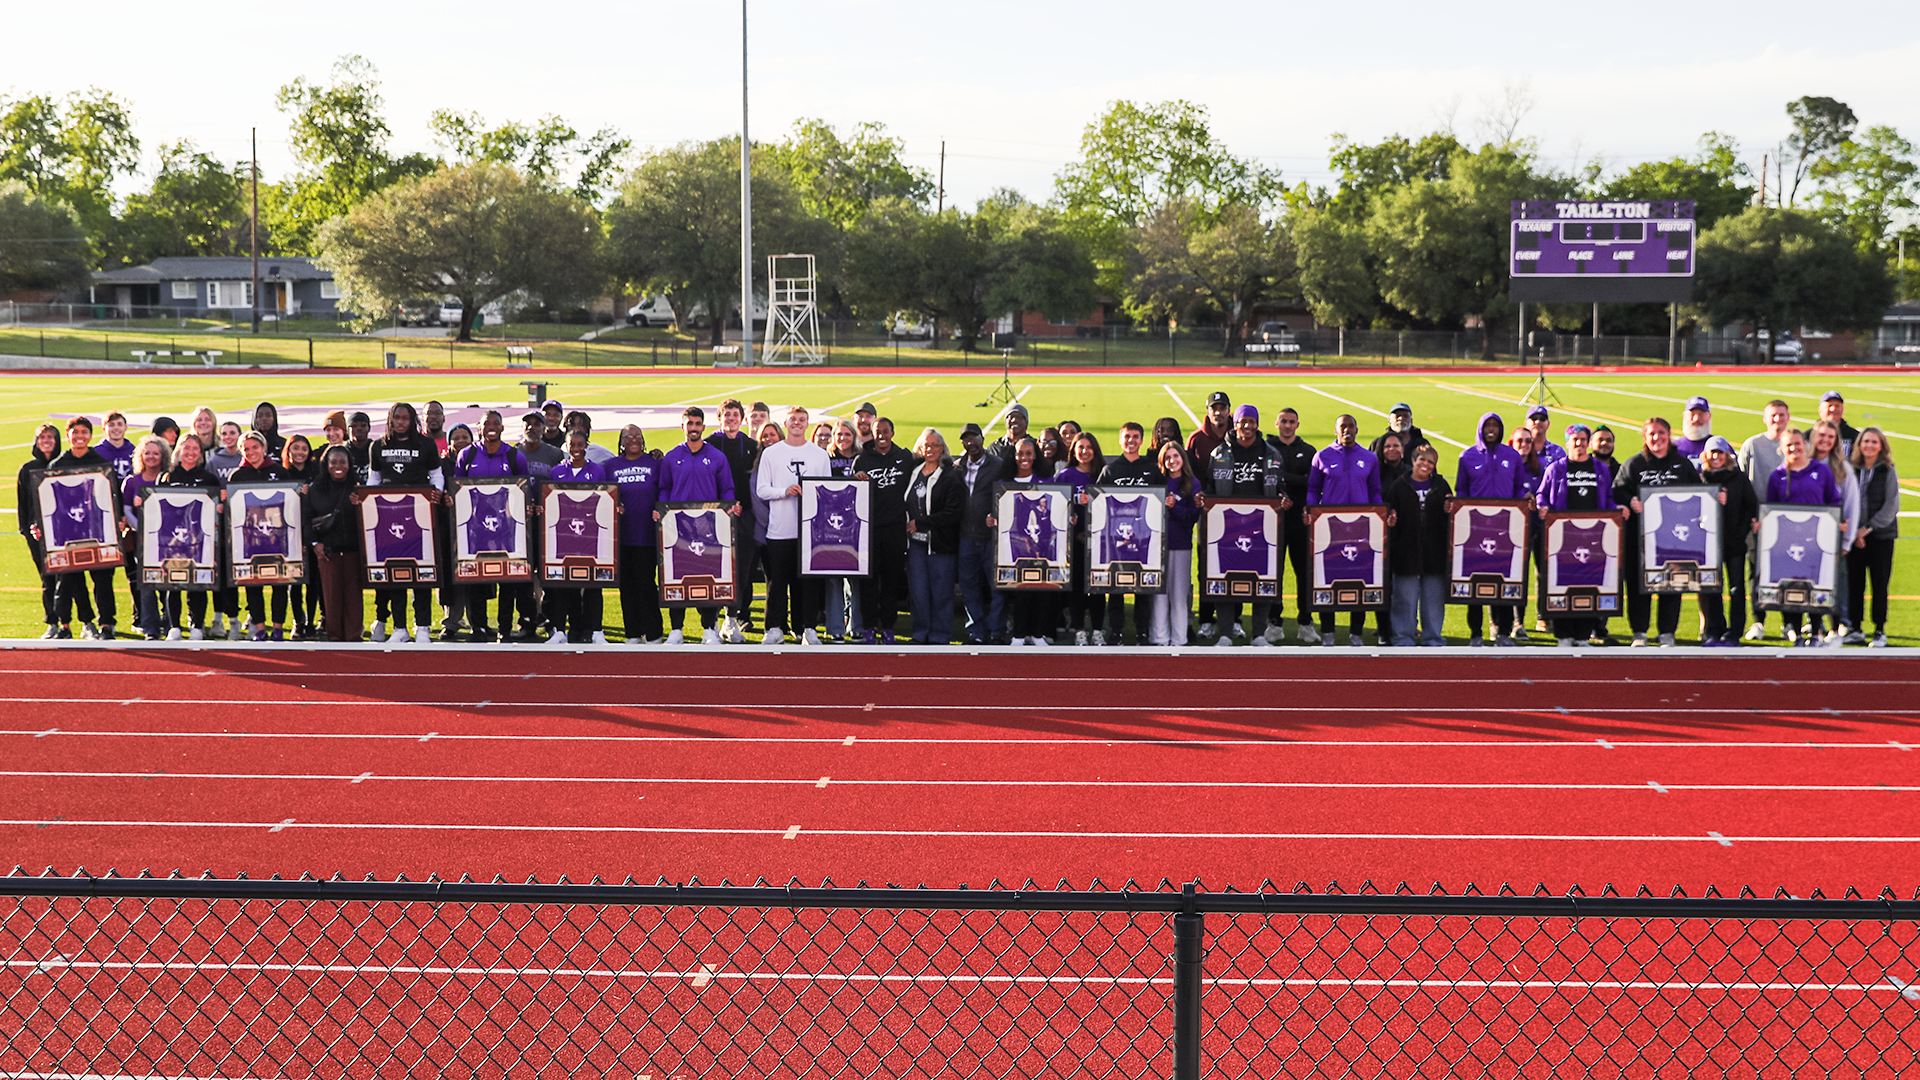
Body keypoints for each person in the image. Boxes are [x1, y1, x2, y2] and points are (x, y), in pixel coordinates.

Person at [1206, 404, 1288, 646]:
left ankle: (1259, 634)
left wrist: (1283, 498)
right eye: (1243, 422)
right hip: (1227, 526)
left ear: (1257, 424)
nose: (1247, 426)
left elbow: (1280, 486)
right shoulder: (1219, 453)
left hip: (1261, 526)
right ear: (1236, 423)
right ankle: (1224, 634)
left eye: (1252, 422)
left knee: (1262, 577)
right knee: (1224, 576)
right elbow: (1210, 486)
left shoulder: (1271, 453)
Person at [1614, 416, 1700, 647]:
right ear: (1645, 437)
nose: (1657, 438)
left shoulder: (1682, 465)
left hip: (1674, 538)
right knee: (1637, 585)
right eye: (1651, 434)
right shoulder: (1633, 465)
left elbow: (1699, 495)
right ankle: (1639, 631)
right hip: (1639, 538)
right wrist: (1630, 500)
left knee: (1671, 582)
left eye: (1661, 433)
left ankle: (1667, 632)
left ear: (1669, 435)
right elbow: (1617, 490)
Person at [657, 406, 738, 645]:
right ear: (683, 427)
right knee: (677, 574)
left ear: (703, 427)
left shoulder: (716, 457)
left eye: (697, 424)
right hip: (679, 527)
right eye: (689, 424)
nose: (693, 428)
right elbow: (664, 488)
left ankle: (708, 628)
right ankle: (676, 629)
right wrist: (663, 514)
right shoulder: (672, 457)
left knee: (707, 573)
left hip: (708, 527)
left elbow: (727, 489)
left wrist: (728, 509)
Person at [453, 410, 533, 643]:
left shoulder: (514, 456)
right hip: (475, 529)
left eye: (495, 423)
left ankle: (504, 629)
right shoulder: (466, 456)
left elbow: (523, 492)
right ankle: (478, 627)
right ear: (479, 427)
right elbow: (458, 489)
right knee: (476, 580)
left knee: (507, 581)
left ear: (502, 428)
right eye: (486, 423)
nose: (491, 427)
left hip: (506, 529)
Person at [1305, 414, 1385, 646]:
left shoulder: (1369, 458)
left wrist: (1377, 517)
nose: (1347, 430)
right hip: (1331, 530)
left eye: (1350, 426)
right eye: (1343, 426)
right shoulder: (1322, 457)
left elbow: (1375, 491)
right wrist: (1311, 511)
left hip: (1361, 530)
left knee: (1358, 577)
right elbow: (1313, 489)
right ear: (1335, 430)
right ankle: (1328, 631)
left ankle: (1356, 633)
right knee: (1329, 578)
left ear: (1357, 429)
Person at [367, 402, 442, 644]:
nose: (401, 422)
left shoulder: (426, 444)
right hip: (389, 517)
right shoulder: (378, 446)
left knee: (422, 572)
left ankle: (422, 627)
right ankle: (400, 627)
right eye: (397, 418)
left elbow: (437, 475)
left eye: (405, 418)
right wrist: (369, 503)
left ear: (412, 420)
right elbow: (374, 479)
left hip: (420, 516)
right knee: (394, 572)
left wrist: (435, 495)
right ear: (390, 420)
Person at [1535, 424, 1616, 647]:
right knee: (1563, 584)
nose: (1579, 443)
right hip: (1563, 538)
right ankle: (1563, 634)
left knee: (1588, 584)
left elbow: (1608, 497)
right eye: (1574, 440)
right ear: (1567, 443)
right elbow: (1541, 494)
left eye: (1583, 439)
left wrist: (1617, 509)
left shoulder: (1600, 468)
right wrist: (1542, 507)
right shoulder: (1556, 469)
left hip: (1593, 538)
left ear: (1588, 442)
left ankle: (1582, 634)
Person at [755, 406, 831, 645]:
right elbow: (762, 490)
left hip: (809, 530)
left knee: (808, 583)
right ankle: (775, 628)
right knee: (777, 582)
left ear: (807, 424)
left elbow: (826, 491)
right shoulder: (772, 453)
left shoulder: (819, 455)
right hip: (780, 529)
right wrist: (784, 492)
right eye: (793, 420)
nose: (797, 423)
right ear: (785, 424)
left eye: (802, 420)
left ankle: (807, 628)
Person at [1452, 411, 1526, 646]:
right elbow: (1461, 491)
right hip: (1476, 530)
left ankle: (1503, 632)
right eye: (1487, 425)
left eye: (1495, 425)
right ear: (1481, 428)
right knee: (1475, 582)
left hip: (1504, 529)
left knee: (1502, 580)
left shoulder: (1512, 456)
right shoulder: (1467, 457)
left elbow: (1518, 489)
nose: (1491, 429)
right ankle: (1476, 633)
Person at [44, 416, 120, 639]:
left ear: (90, 435)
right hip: (68, 533)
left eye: (84, 432)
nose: (79, 436)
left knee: (103, 580)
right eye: (75, 432)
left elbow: (112, 496)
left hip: (97, 532)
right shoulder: (57, 465)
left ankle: (106, 623)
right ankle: (65, 625)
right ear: (68, 435)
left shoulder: (100, 462)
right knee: (67, 580)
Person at [1765, 428, 1842, 646]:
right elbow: (1770, 508)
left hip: (1815, 540)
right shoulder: (1777, 476)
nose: (1794, 449)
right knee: (1791, 586)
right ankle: (1795, 630)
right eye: (1789, 445)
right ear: (1782, 448)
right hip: (1788, 541)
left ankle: (1816, 631)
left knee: (1814, 584)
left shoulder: (1822, 471)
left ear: (1806, 445)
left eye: (1798, 444)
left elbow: (1833, 500)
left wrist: (1835, 524)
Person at [1096, 422, 1162, 644]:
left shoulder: (1152, 469)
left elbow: (1161, 502)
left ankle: (1142, 632)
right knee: (1115, 586)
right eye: (1127, 436)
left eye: (1135, 436)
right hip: (1116, 541)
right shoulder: (1110, 470)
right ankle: (1117, 631)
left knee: (1143, 586)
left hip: (1143, 538)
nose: (1131, 440)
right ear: (1120, 439)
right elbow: (1099, 505)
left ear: (1142, 440)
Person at [153, 435, 223, 639]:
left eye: (195, 448)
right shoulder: (167, 476)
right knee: (172, 583)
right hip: (172, 540)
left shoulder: (209, 478)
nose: (191, 452)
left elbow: (215, 510)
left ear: (200, 453)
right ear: (179, 451)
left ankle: (197, 626)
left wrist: (219, 507)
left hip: (199, 540)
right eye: (187, 448)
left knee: (197, 583)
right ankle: (174, 626)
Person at [548, 428, 612, 645]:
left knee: (593, 583)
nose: (576, 449)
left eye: (580, 444)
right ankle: (568, 630)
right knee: (567, 584)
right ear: (566, 446)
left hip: (590, 535)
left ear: (586, 446)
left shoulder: (597, 471)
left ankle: (595, 629)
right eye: (571, 445)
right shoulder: (556, 472)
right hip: (565, 535)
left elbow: (604, 501)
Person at [1384, 444, 1451, 646]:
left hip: (1434, 551)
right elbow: (1388, 515)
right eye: (1422, 459)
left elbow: (1451, 516)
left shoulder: (1441, 486)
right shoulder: (1399, 485)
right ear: (1413, 461)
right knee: (1404, 599)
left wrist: (1450, 508)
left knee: (1433, 601)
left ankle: (1433, 638)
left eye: (1430, 461)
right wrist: (1391, 518)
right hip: (1405, 551)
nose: (1425, 465)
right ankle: (1403, 638)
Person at [990, 436, 1055, 645]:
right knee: (1021, 591)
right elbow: (998, 514)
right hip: (1016, 544)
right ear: (1013, 455)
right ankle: (1018, 635)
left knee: (1041, 590)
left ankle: (1037, 634)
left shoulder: (1047, 481)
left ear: (1035, 455)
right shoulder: (1003, 483)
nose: (1024, 457)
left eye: (1028, 453)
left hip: (1041, 545)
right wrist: (991, 519)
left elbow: (1057, 510)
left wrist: (1068, 516)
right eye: (1020, 453)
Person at [1738, 399, 1794, 642]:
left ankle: (1789, 623)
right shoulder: (1752, 444)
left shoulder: (1796, 444)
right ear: (1764, 418)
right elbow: (1741, 483)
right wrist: (1750, 515)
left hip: (1790, 523)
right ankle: (1758, 621)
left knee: (1789, 572)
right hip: (1757, 522)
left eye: (1781, 415)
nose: (1777, 420)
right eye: (1773, 416)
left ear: (1788, 417)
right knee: (1758, 573)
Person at [855, 417, 915, 643]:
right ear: (872, 433)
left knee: (891, 582)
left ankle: (888, 626)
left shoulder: (904, 458)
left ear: (893, 432)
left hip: (895, 530)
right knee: (868, 582)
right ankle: (869, 626)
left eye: (885, 431)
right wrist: (856, 479)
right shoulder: (862, 460)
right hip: (869, 531)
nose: (881, 435)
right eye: (877, 431)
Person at [228, 431, 292, 641]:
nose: (251, 452)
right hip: (249, 539)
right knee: (253, 584)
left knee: (279, 583)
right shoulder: (237, 476)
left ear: (263, 448)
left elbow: (290, 505)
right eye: (246, 449)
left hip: (276, 538)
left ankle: (278, 628)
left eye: (255, 447)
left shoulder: (279, 472)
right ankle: (260, 628)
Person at [904, 428, 964, 644]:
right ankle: (920, 634)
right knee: (919, 592)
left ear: (942, 449)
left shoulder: (950, 476)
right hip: (916, 546)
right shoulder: (914, 472)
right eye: (926, 445)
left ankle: (940, 636)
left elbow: (953, 513)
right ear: (920, 447)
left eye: (935, 445)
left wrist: (920, 523)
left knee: (941, 593)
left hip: (940, 545)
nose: (930, 449)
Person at [1697, 436, 1757, 647]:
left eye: (1720, 453)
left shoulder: (1738, 478)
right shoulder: (1700, 478)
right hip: (1708, 545)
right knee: (1712, 588)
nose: (1716, 457)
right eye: (1712, 453)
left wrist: (1741, 531)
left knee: (1736, 589)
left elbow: (1751, 506)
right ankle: (1714, 629)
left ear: (1727, 455)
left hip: (1734, 544)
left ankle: (1735, 631)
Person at [1264, 407, 1317, 643]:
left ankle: (1305, 622)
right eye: (1283, 421)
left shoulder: (1308, 451)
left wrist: (1283, 478)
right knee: (1273, 572)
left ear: (1297, 424)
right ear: (1276, 424)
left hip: (1300, 520)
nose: (1287, 425)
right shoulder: (1266, 450)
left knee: (1304, 572)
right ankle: (1274, 622)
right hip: (1272, 521)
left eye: (1291, 422)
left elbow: (1312, 482)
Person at [710, 399, 761, 643]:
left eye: (735, 415)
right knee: (714, 570)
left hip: (745, 516)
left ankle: (732, 619)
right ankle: (711, 621)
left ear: (742, 419)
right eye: (726, 414)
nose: (731, 418)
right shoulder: (708, 444)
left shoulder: (753, 446)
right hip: (714, 518)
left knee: (741, 571)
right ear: (719, 418)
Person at [610, 425, 664, 645]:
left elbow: (664, 491)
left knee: (646, 584)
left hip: (647, 536)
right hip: (621, 537)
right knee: (627, 586)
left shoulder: (655, 464)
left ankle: (654, 633)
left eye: (638, 436)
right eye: (628, 436)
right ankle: (632, 632)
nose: (633, 440)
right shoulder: (611, 466)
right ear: (621, 441)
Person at [1810, 419, 1861, 642]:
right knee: (1811, 579)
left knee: (1837, 580)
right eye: (1822, 436)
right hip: (1808, 536)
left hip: (1833, 537)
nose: (1826, 440)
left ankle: (1839, 623)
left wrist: (1847, 540)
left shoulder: (1843, 468)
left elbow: (1851, 505)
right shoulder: (1802, 464)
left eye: (1831, 437)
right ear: (1813, 437)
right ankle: (1815, 624)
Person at [1846, 427, 1897, 648]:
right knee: (1855, 584)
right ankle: (1856, 628)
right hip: (1854, 537)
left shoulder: (1887, 469)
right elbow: (1846, 500)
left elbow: (1891, 505)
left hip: (1880, 537)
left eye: (1874, 442)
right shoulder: (1851, 469)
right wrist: (1854, 531)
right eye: (1865, 441)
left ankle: (1879, 630)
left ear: (1881, 445)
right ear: (1859, 445)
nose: (1869, 445)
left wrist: (1866, 529)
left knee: (1879, 584)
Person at [1147, 441, 1202, 646]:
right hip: (1157, 547)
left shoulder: (1192, 483)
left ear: (1183, 458)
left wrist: (1173, 507)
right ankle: (1159, 638)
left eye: (1176, 456)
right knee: (1159, 595)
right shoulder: (1157, 482)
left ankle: (1179, 639)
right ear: (1162, 461)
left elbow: (1191, 519)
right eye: (1167, 457)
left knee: (1179, 595)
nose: (1172, 461)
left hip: (1181, 545)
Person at [307, 445, 363, 642]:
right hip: (328, 552)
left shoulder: (359, 487)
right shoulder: (316, 488)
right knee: (331, 597)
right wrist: (315, 543)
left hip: (354, 550)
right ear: (326, 464)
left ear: (349, 464)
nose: (338, 466)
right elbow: (307, 519)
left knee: (354, 597)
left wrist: (361, 504)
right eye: (333, 462)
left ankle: (354, 635)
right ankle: (335, 636)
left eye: (342, 462)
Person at [120, 435, 169, 639]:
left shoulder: (169, 478)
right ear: (140, 455)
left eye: (156, 453)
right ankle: (150, 626)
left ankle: (170, 623)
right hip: (142, 539)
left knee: (169, 583)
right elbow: (126, 510)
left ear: (163, 455)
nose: (151, 457)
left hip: (167, 539)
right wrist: (143, 528)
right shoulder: (132, 481)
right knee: (147, 583)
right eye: (147, 453)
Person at [823, 420, 868, 642]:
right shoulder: (825, 458)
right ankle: (835, 626)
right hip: (829, 525)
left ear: (854, 436)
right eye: (839, 434)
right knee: (833, 576)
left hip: (856, 524)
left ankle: (856, 624)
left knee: (856, 575)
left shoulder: (863, 457)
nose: (843, 438)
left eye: (847, 434)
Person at [18, 422, 63, 636]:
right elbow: (23, 504)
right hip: (38, 534)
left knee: (68, 579)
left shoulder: (64, 465)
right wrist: (27, 530)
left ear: (57, 441)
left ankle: (71, 622)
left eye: (50, 437)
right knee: (47, 579)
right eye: (42, 437)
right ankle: (52, 622)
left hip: (63, 533)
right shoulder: (27, 469)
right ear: (37, 441)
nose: (46, 441)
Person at [282, 435, 322, 639]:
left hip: (312, 531)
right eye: (295, 448)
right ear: (288, 451)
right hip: (289, 533)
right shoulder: (282, 474)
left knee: (313, 581)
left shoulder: (317, 472)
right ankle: (298, 621)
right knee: (295, 581)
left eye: (304, 449)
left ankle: (312, 622)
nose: (299, 452)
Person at [1186, 392, 1232, 464]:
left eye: (1222, 409)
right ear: (1208, 411)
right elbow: (1187, 467)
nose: (1218, 413)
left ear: (1228, 410)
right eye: (1214, 409)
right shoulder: (1196, 438)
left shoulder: (1238, 436)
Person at [96, 410, 137, 486]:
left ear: (125, 427)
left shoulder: (134, 451)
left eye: (119, 424)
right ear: (104, 428)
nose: (116, 428)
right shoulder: (96, 451)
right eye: (111, 425)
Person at [1673, 396, 1713, 465]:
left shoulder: (1720, 446)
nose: (1696, 419)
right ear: (1684, 416)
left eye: (1701, 414)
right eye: (1692, 414)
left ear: (1709, 416)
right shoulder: (1673, 448)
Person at [988, 403, 1030, 468]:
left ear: (1026, 422)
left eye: (1019, 417)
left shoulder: (1034, 446)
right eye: (1011, 417)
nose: (1014, 420)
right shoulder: (995, 447)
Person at [1818, 391, 1859, 457]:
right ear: (1820, 410)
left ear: (1843, 409)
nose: (1833, 409)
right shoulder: (1809, 435)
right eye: (1829, 405)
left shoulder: (1854, 436)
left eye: (1837, 406)